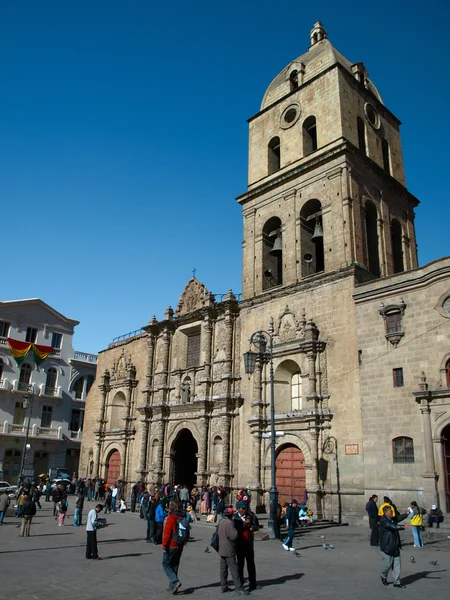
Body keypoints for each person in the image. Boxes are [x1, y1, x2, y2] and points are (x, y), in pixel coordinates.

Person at [217, 507, 249, 595]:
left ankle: (223, 586)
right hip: (229, 549)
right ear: (231, 514)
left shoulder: (221, 521)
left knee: (223, 568)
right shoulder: (229, 523)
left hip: (221, 548)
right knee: (234, 568)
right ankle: (239, 587)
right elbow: (233, 536)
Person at [379, 505, 409, 588]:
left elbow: (398, 518)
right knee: (387, 564)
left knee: (396, 564)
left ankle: (397, 582)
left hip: (395, 544)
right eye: (389, 512)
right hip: (387, 546)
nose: (391, 513)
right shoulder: (383, 520)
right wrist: (403, 527)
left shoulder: (392, 518)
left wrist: (406, 514)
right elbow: (392, 526)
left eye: (391, 512)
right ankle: (383, 575)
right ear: (385, 513)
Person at [234, 501, 259, 591]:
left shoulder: (251, 516)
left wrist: (253, 527)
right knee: (240, 565)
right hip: (239, 544)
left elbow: (256, 526)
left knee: (251, 564)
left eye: (245, 508)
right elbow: (235, 530)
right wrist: (245, 524)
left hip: (249, 543)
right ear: (238, 509)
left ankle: (253, 582)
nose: (244, 510)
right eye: (242, 509)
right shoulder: (234, 518)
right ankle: (240, 582)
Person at [162, 501, 185, 594]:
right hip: (180, 545)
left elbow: (167, 533)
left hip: (171, 545)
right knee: (175, 565)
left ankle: (175, 581)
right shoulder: (181, 517)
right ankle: (172, 586)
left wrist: (164, 545)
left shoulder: (171, 518)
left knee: (166, 564)